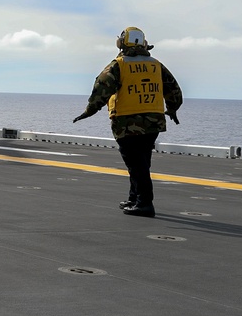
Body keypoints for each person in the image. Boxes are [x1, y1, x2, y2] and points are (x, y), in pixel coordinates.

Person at [72, 27, 183, 218]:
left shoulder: (119, 65)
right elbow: (173, 89)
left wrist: (89, 111)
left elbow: (101, 88)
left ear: (122, 43)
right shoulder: (156, 64)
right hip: (153, 121)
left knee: (136, 164)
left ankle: (145, 204)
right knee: (142, 161)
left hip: (127, 121)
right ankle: (134, 198)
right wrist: (172, 108)